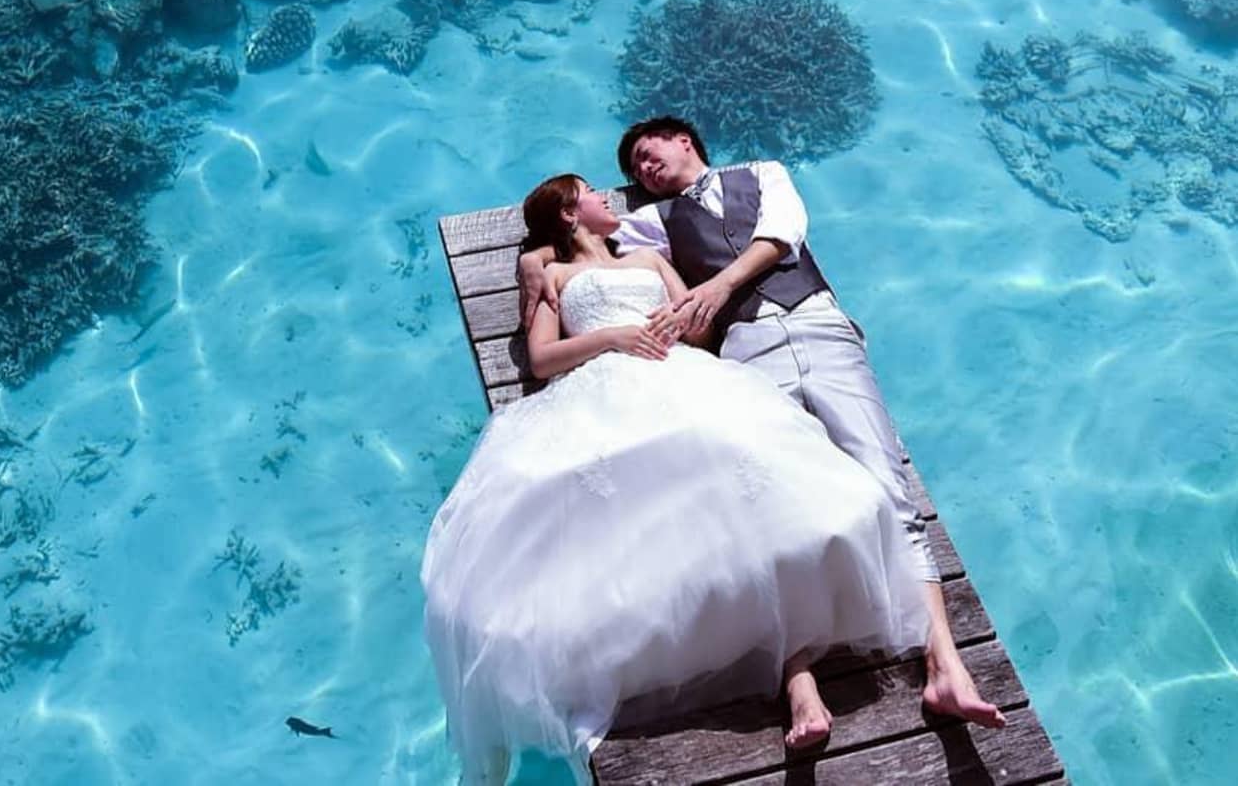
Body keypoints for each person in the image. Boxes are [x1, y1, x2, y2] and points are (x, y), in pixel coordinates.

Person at [423, 173, 930, 784]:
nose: (605, 198)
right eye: (589, 192)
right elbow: (542, 359)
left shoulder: (646, 257)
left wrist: (673, 325)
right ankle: (792, 682)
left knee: (768, 504)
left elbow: (699, 326)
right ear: (566, 213)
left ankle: (801, 681)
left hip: (679, 374)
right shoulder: (554, 275)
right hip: (601, 388)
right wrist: (611, 336)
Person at [517, 117, 1006, 732]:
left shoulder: (763, 174)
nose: (640, 172)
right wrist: (536, 263)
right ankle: (798, 680)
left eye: (646, 154)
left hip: (820, 326)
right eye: (632, 169)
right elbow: (578, 244)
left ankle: (945, 666)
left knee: (887, 482)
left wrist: (716, 288)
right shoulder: (651, 224)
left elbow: (780, 235)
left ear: (683, 141)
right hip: (746, 348)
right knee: (766, 494)